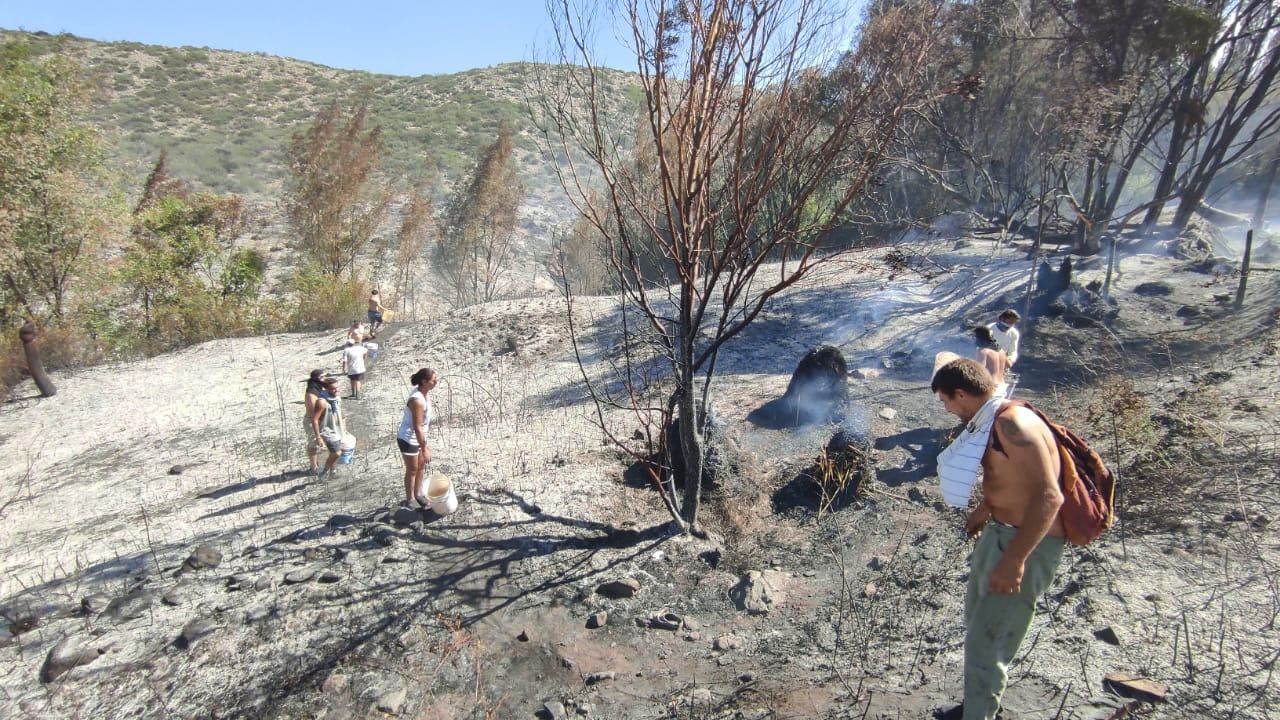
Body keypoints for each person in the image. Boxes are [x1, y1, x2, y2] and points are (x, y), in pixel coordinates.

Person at [931, 358, 1065, 720]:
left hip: (1025, 543)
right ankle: (977, 705)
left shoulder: (1013, 423)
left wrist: (1015, 560)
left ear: (961, 393)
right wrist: (987, 507)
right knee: (977, 621)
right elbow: (1013, 478)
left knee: (987, 641)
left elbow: (1050, 497)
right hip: (1001, 530)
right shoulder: (993, 420)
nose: (946, 409)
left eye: (946, 401)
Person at [396, 368, 438, 508]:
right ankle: (410, 499)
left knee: (421, 466)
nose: (436, 382)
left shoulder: (424, 392)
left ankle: (419, 494)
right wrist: (425, 448)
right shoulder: (417, 400)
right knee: (412, 469)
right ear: (424, 382)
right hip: (408, 438)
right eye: (433, 380)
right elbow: (417, 426)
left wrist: (423, 444)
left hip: (419, 437)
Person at [310, 376, 347, 478]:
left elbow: (339, 413)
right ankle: (324, 472)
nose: (336, 390)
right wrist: (318, 437)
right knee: (337, 453)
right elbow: (314, 419)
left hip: (337, 428)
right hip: (327, 430)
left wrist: (344, 426)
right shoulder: (322, 401)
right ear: (326, 389)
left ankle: (333, 471)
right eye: (333, 388)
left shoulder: (336, 398)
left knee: (334, 451)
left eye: (337, 387)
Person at [974, 326, 1012, 396]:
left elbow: (979, 372)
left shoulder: (982, 351)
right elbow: (1009, 364)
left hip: (991, 389)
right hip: (1002, 387)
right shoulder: (1001, 351)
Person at [302, 369, 326, 475]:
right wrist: (318, 435)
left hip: (321, 419)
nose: (324, 379)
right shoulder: (311, 395)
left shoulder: (318, 388)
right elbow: (314, 416)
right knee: (313, 444)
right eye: (322, 377)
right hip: (312, 421)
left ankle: (319, 464)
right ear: (316, 379)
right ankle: (314, 468)